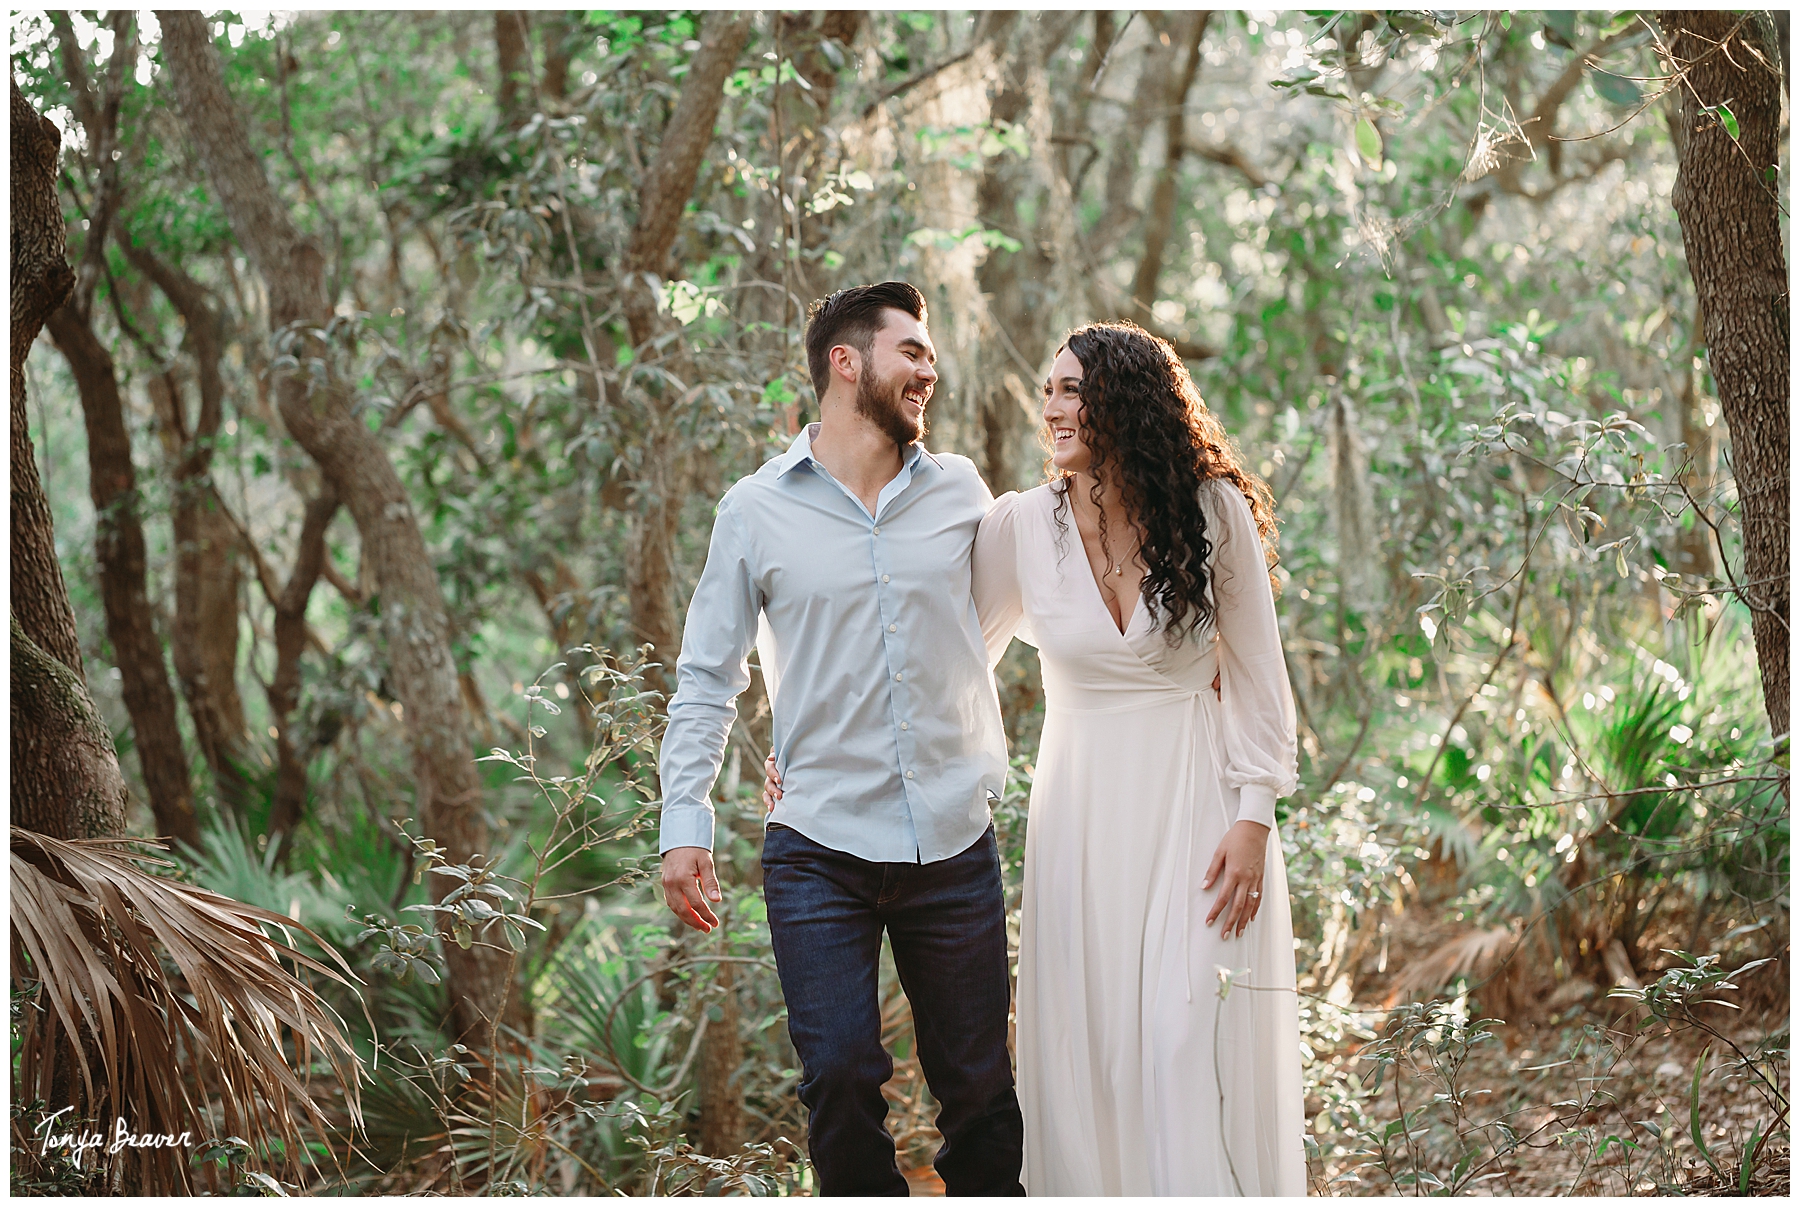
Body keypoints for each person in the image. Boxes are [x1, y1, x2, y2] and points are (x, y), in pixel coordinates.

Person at [767, 318, 1305, 1195]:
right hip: (1082, 817)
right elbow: (938, 660)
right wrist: (815, 746)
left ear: (1126, 404)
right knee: (1095, 1056)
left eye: (1069, 390)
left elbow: (1259, 678)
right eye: (1048, 389)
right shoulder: (1021, 526)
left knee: (1179, 1042)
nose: (1049, 406)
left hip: (1198, 807)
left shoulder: (1213, 512)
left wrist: (1254, 818)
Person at [657, 282, 1025, 1195]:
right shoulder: (754, 509)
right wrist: (684, 821)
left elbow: (985, 624)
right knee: (842, 1081)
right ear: (846, 363)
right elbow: (709, 674)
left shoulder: (961, 494)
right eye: (911, 351)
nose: (929, 369)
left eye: (930, 354)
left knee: (980, 1089)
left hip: (951, 838)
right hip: (818, 843)